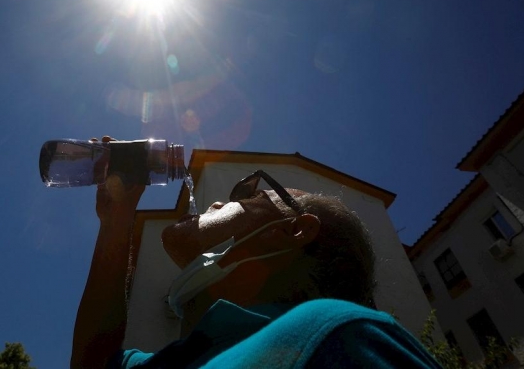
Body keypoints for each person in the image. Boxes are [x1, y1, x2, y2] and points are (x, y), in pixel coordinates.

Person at [72, 139, 440, 368]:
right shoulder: (182, 354)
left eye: (248, 196)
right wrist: (116, 222)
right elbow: (94, 363)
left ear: (293, 230)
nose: (217, 202)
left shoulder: (338, 333)